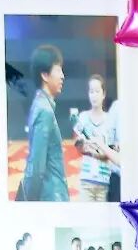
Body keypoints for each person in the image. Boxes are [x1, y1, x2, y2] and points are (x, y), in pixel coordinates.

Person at [18, 44, 68, 202]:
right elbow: (37, 166)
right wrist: (32, 205)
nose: (62, 76)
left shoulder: (40, 104)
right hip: (52, 197)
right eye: (58, 70)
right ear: (45, 75)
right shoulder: (44, 111)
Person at [73, 74, 118, 203]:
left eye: (97, 91)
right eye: (91, 92)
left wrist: (96, 150)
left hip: (105, 182)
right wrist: (91, 149)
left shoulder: (110, 119)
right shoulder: (82, 117)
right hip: (86, 181)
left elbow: (112, 151)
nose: (94, 95)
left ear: (103, 94)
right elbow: (78, 146)